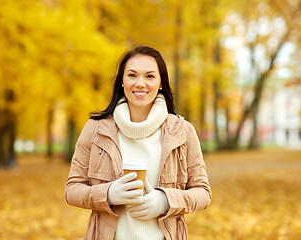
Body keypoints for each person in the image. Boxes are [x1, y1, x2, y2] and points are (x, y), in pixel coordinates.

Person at [65, 45, 211, 240]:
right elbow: (72, 190)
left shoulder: (182, 131)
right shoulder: (96, 129)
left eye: (149, 76)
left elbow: (203, 193)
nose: (140, 83)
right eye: (132, 75)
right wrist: (108, 194)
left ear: (161, 83)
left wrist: (165, 201)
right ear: (121, 82)